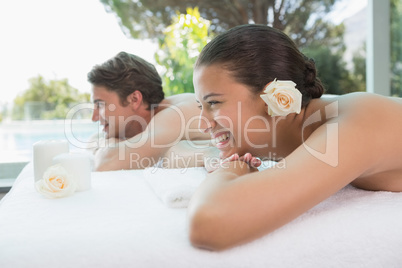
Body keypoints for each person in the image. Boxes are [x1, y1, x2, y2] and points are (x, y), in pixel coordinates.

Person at [187, 24, 402, 251]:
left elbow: (210, 223)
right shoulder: (315, 121)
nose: (203, 124)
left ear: (275, 97)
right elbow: (184, 152)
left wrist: (232, 168)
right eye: (200, 105)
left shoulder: (356, 126)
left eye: (213, 103)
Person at [87, 52, 215, 171]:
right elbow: (93, 140)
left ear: (134, 99)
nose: (94, 117)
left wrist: (112, 145)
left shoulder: (174, 115)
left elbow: (106, 161)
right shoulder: (151, 126)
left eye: (100, 104)